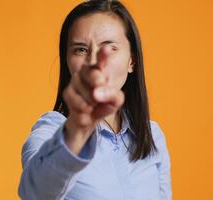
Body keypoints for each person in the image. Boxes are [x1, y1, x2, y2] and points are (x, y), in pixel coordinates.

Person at [18, 0, 172, 199]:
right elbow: (35, 192)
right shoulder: (52, 129)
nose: (93, 61)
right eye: (80, 49)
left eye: (109, 48)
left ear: (131, 61)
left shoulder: (153, 136)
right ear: (67, 61)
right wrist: (77, 131)